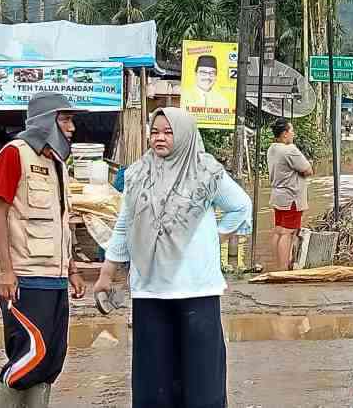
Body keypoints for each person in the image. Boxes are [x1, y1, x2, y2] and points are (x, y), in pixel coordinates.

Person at [93, 107, 252, 408]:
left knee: (202, 382)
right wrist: (108, 270)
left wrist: (216, 235)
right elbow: (125, 223)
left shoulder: (205, 171)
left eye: (168, 132)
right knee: (153, 384)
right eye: (155, 132)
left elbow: (241, 206)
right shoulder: (138, 173)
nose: (160, 138)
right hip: (150, 287)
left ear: (184, 135)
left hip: (197, 288)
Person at [0, 92, 87, 407]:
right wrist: (6, 270)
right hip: (25, 278)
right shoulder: (14, 154)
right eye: (66, 119)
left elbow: (61, 220)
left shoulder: (58, 163)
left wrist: (71, 269)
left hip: (55, 279)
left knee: (51, 360)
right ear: (46, 122)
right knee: (31, 355)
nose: (71, 128)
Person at [267, 118, 314, 271]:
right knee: (287, 233)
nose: (293, 133)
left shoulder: (272, 149)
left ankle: (278, 266)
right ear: (285, 133)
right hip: (291, 197)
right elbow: (308, 170)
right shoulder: (290, 150)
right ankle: (283, 269)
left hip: (277, 195)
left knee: (279, 230)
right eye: (291, 130)